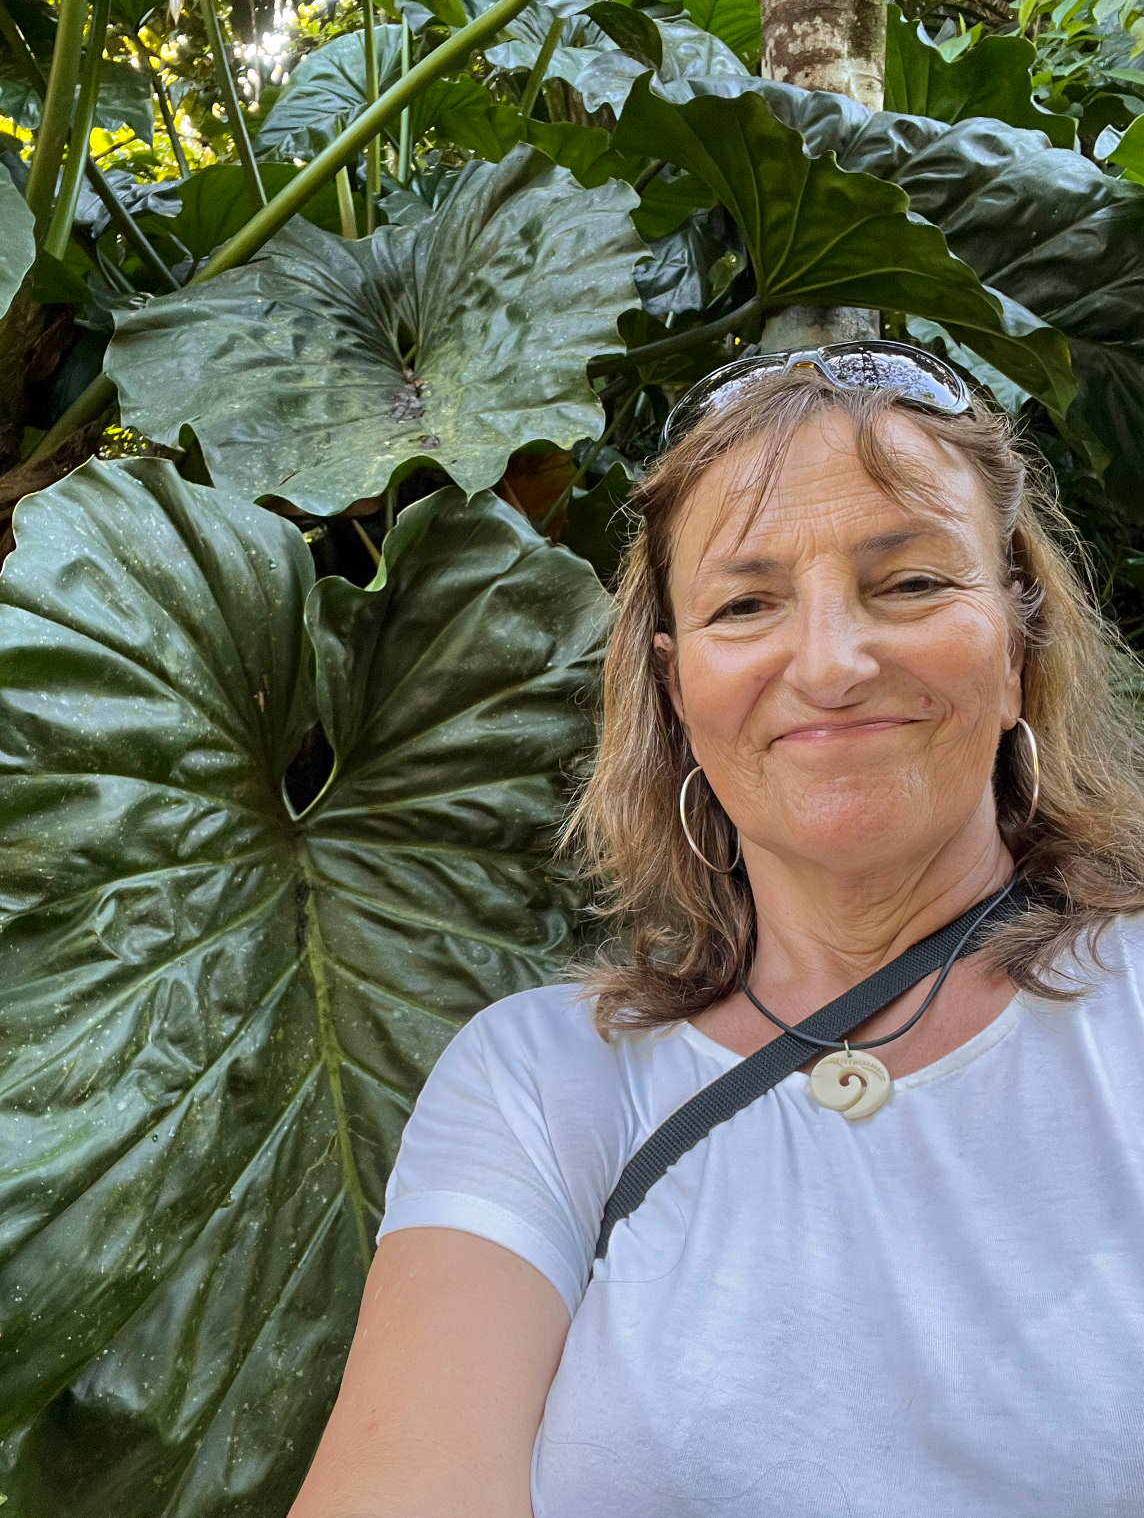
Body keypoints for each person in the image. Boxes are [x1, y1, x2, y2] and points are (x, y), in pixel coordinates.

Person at [287, 343, 1144, 1518]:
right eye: (745, 603)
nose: (833, 662)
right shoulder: (541, 1081)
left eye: (909, 583)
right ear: (677, 687)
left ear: (1017, 645)